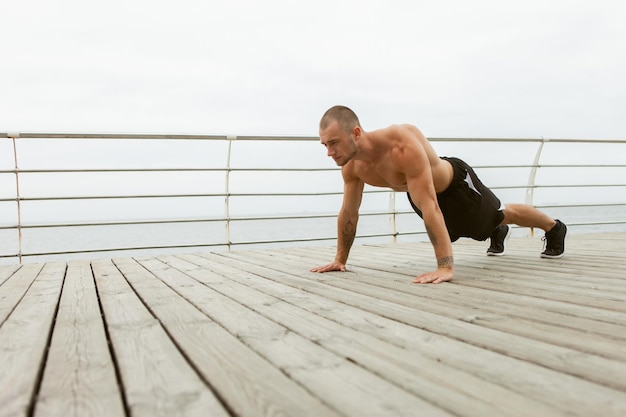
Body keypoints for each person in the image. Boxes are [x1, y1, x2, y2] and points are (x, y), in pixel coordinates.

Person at [310, 105, 567, 284]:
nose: (329, 152)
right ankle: (493, 231)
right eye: (325, 145)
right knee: (458, 231)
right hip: (421, 193)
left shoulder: (400, 145)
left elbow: (431, 205)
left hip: (455, 186)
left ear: (355, 133)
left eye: (333, 143)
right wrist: (339, 259)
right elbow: (349, 212)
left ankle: (553, 228)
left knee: (496, 217)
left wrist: (445, 267)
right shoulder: (352, 166)